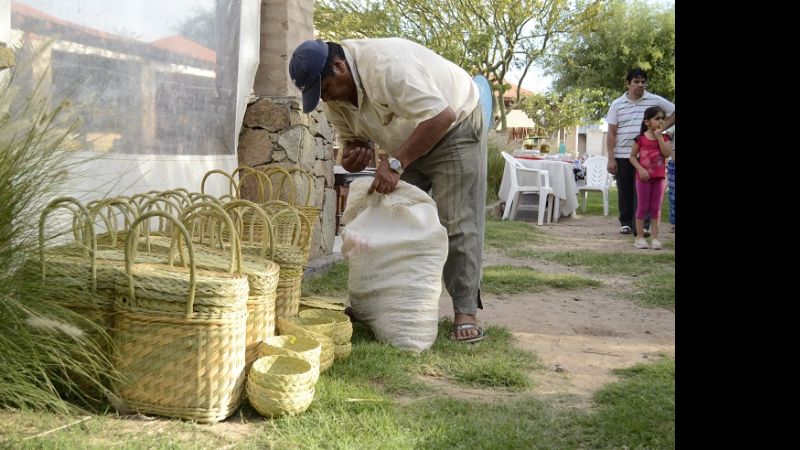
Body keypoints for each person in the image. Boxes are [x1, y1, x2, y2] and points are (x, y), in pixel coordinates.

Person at [289, 38, 487, 343]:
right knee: (392, 217)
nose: (326, 98)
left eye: (325, 88)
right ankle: (383, 306)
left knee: (455, 219)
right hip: (409, 140)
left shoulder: (388, 66)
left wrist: (396, 164)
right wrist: (354, 155)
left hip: (453, 128)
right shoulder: (335, 100)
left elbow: (441, 116)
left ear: (339, 66)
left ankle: (465, 312)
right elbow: (352, 141)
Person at [606, 68, 675, 237]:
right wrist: (611, 158)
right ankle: (626, 223)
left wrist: (660, 129)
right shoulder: (617, 105)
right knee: (625, 190)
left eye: (643, 82)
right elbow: (612, 133)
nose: (640, 85)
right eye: (636, 82)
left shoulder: (654, 100)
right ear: (628, 83)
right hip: (623, 154)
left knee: (644, 191)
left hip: (648, 155)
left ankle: (643, 226)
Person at [629, 106, 672, 249]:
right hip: (643, 178)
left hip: (659, 178)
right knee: (642, 206)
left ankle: (654, 238)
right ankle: (639, 237)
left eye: (662, 119)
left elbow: (666, 154)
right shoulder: (640, 139)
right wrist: (640, 169)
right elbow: (632, 157)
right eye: (657, 118)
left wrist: (659, 137)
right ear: (647, 122)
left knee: (656, 208)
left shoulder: (666, 138)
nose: (661, 121)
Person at [664, 126, 676, 232]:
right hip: (674, 162)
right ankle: (674, 222)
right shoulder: (673, 126)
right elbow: (667, 136)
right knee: (673, 194)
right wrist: (672, 153)